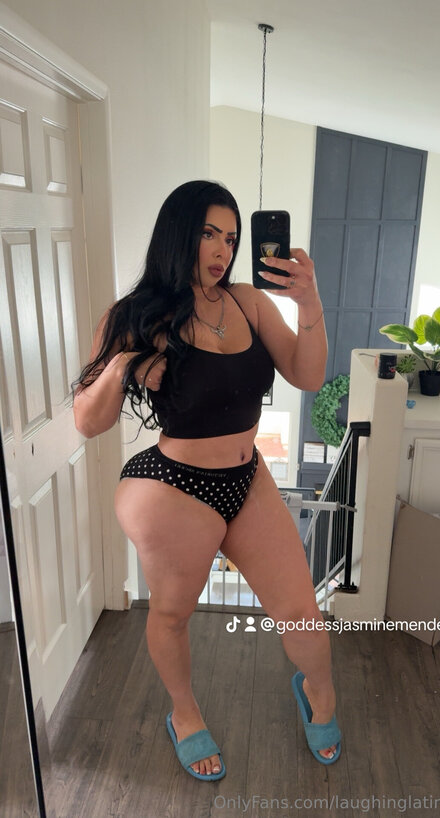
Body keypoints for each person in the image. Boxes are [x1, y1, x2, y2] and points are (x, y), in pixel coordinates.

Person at [73, 180, 341, 781]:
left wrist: (309, 302)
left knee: (302, 614)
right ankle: (185, 713)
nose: (223, 250)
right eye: (209, 234)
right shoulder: (134, 316)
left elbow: (308, 374)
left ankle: (318, 691)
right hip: (174, 486)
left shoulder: (248, 302)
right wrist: (124, 365)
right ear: (179, 234)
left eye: (232, 238)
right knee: (172, 614)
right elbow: (87, 421)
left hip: (246, 478)